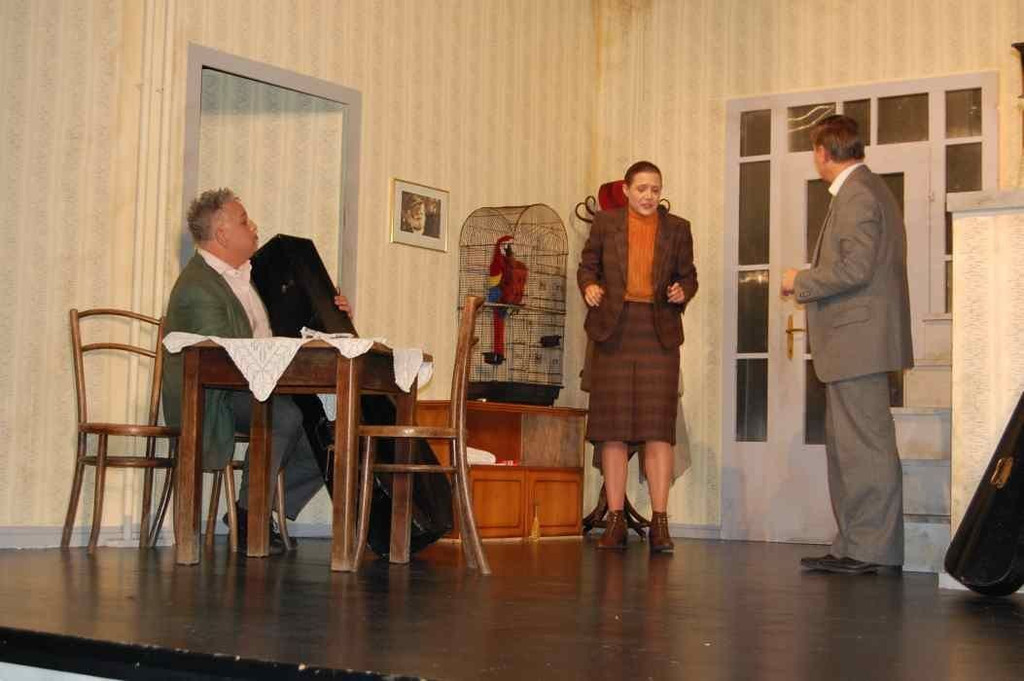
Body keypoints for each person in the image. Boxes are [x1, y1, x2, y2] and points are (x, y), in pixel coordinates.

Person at [162, 188, 352, 555]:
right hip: (215, 394)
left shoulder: (252, 277)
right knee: (283, 415)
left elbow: (292, 324)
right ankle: (253, 516)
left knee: (330, 432)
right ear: (222, 234)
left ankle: (255, 509)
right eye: (244, 221)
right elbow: (225, 363)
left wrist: (334, 312)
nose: (254, 226)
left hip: (255, 385)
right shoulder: (198, 287)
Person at [782, 115, 913, 575]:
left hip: (859, 344)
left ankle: (870, 550)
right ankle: (854, 544)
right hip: (854, 345)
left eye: (814, 152)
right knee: (848, 449)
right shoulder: (865, 190)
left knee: (864, 449)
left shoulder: (858, 194)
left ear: (822, 153)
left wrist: (800, 280)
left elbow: (855, 269)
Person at [577, 161, 698, 553]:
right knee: (612, 430)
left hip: (658, 333)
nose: (649, 196)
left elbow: (689, 276)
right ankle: (614, 520)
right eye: (642, 188)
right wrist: (589, 286)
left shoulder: (678, 228)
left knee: (657, 429)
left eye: (655, 189)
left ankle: (660, 522)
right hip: (613, 330)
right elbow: (587, 266)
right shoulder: (605, 223)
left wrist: (682, 291)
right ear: (627, 190)